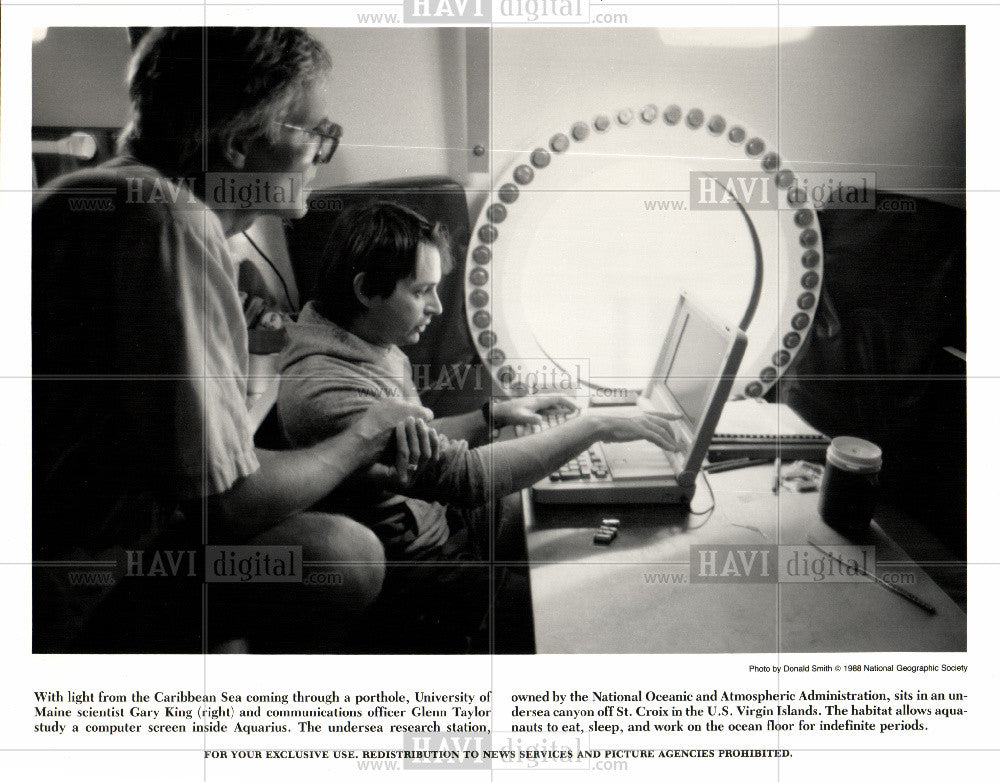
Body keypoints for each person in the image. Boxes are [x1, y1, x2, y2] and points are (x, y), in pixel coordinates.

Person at [32, 28, 429, 653]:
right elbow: (231, 504)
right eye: (315, 132)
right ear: (242, 144)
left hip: (80, 542)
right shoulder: (167, 220)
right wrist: (365, 434)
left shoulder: (106, 193)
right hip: (81, 585)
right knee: (340, 556)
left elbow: (189, 462)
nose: (319, 154)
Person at [277, 201, 682, 651]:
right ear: (367, 290)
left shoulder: (367, 338)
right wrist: (594, 426)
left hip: (442, 522)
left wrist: (492, 416)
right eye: (420, 291)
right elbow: (462, 478)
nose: (434, 306)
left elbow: (420, 444)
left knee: (577, 525)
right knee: (579, 609)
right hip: (421, 571)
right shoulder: (327, 391)